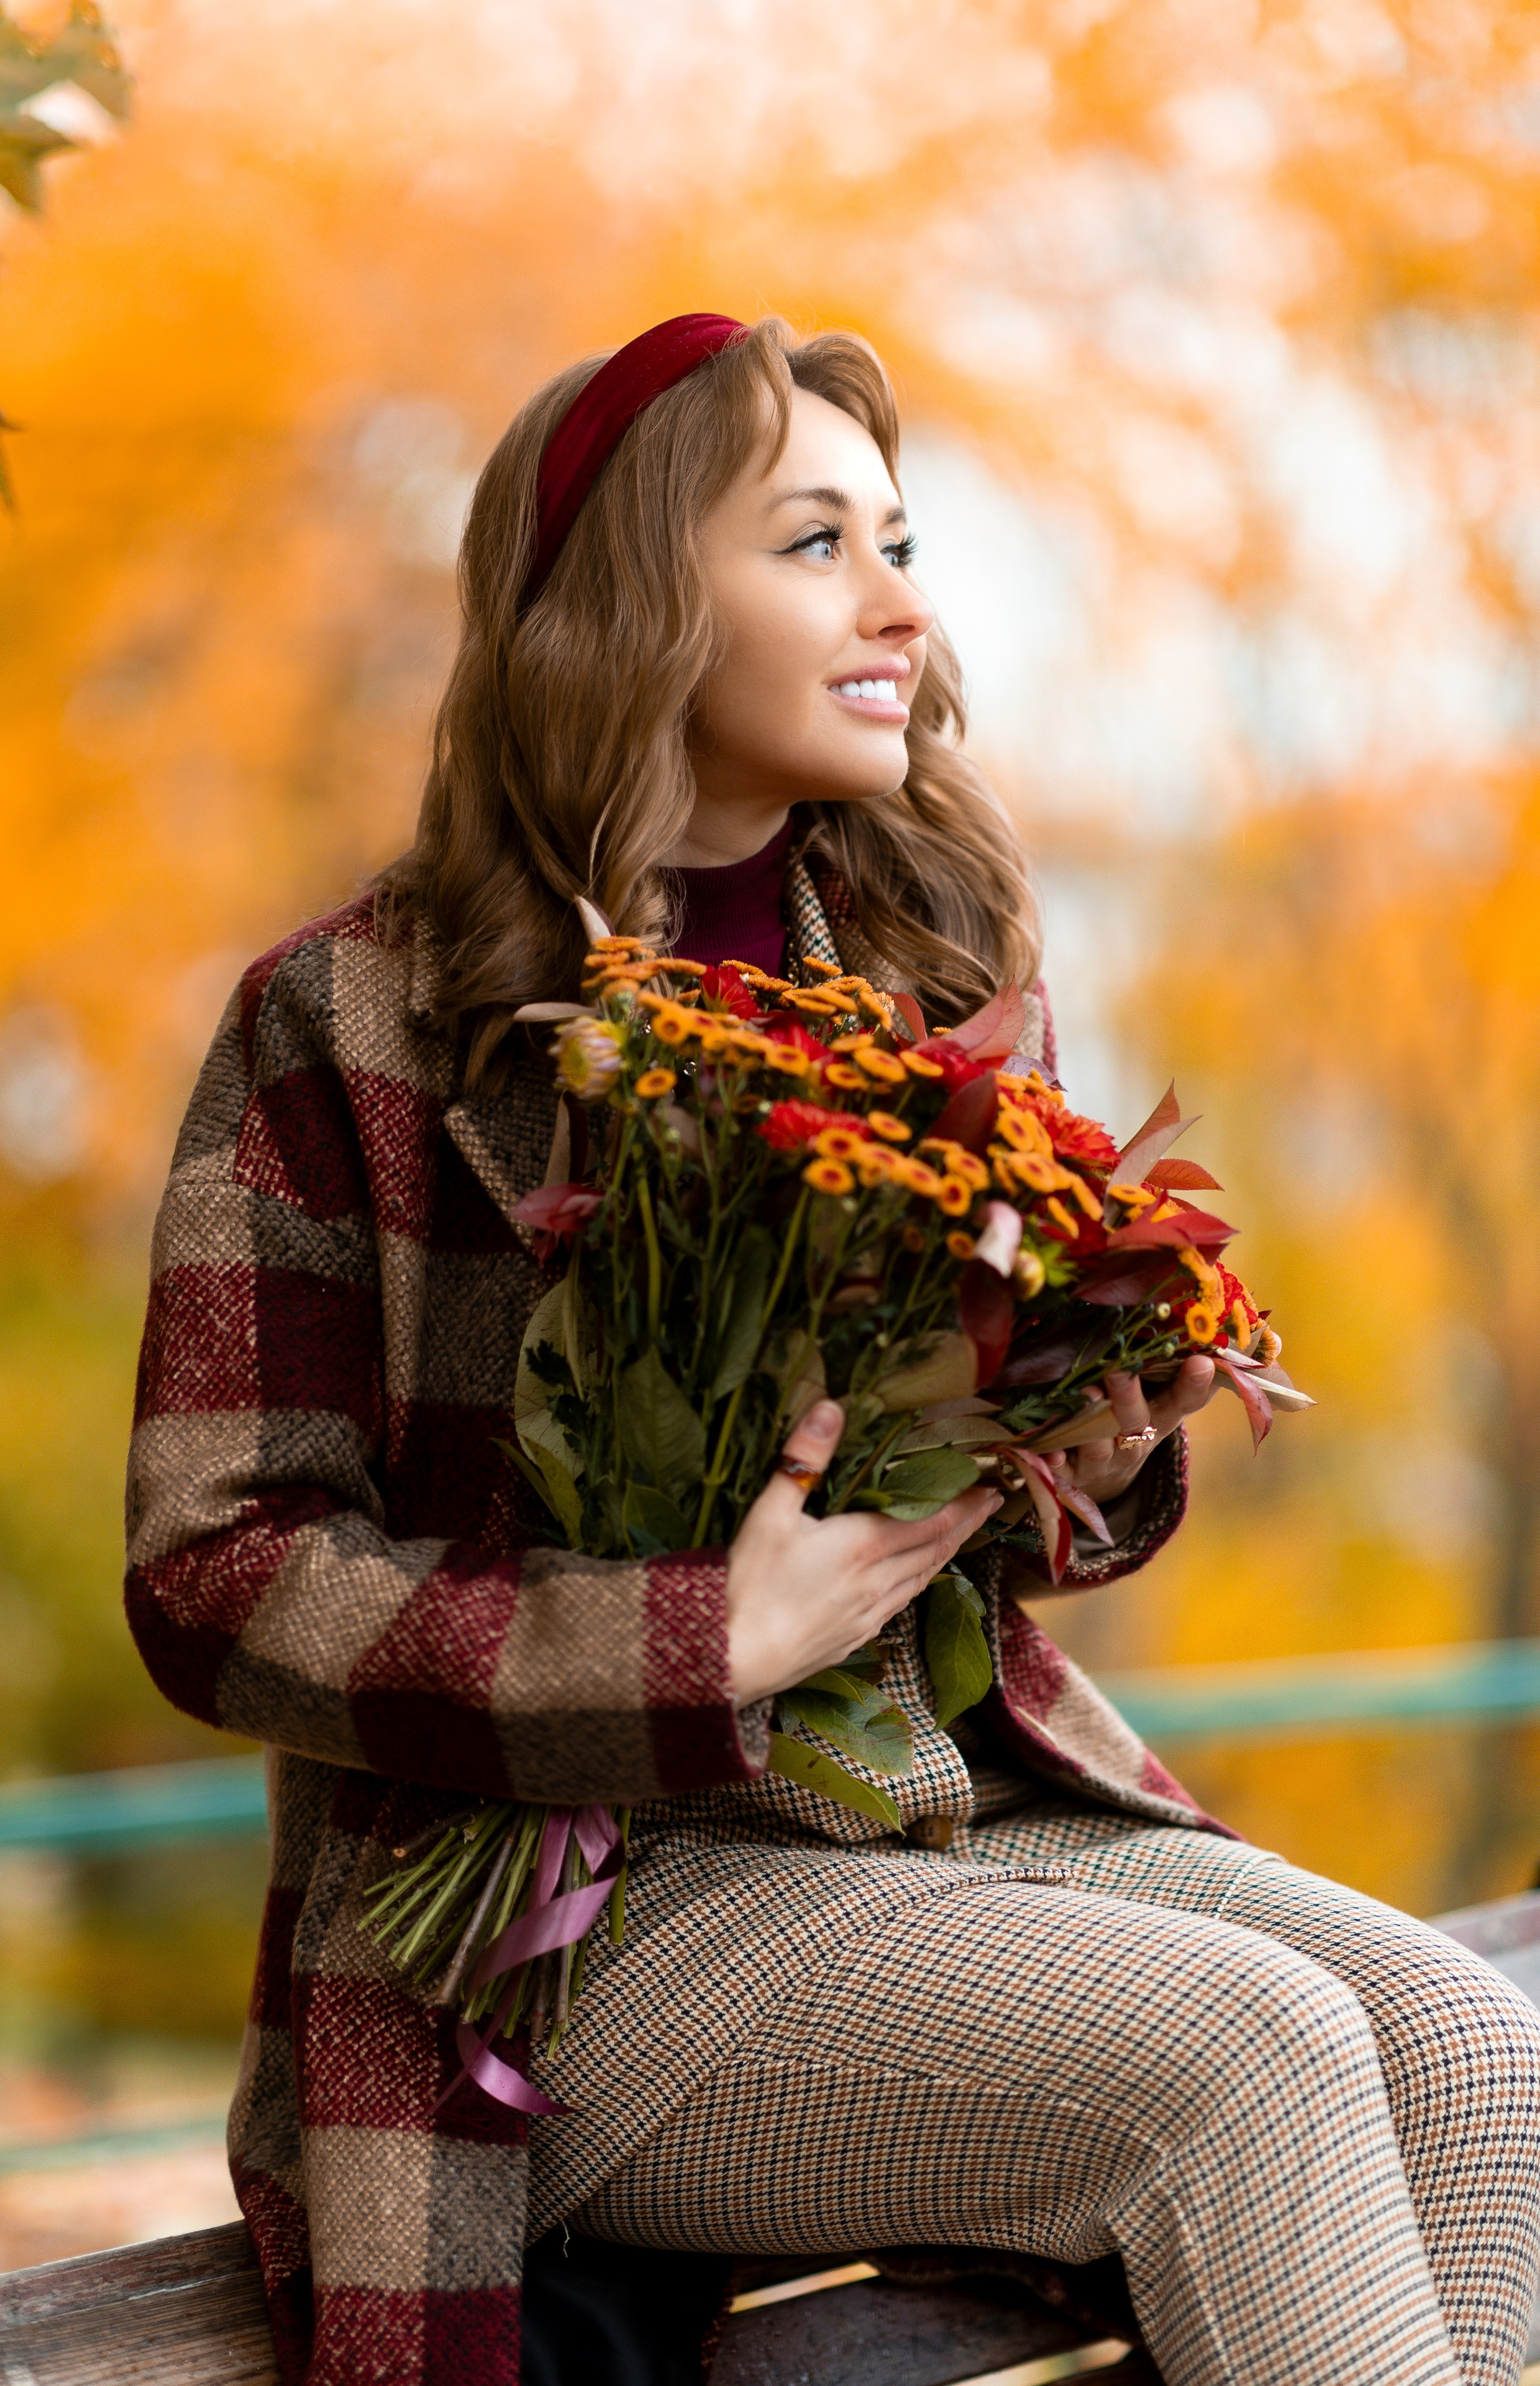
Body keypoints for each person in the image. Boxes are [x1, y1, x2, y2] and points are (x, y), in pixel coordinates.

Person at [126, 313, 1540, 2386]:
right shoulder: (351, 1025)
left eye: (902, 542)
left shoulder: (933, 974)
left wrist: (1090, 1421)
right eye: (815, 546)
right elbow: (215, 1573)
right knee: (1246, 2056)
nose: (903, 605)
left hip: (941, 1809)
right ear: (623, 610)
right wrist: (699, 1641)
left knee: (1479, 2061)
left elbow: (981, 1544)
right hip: (554, 1934)